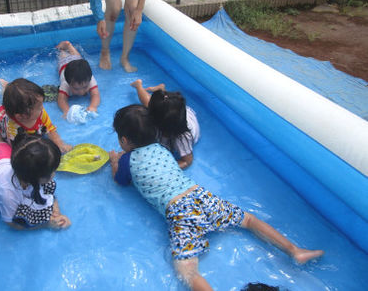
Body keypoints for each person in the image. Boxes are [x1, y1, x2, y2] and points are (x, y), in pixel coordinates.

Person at [108, 104, 324, 291]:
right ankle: (294, 250)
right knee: (248, 220)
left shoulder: (128, 160)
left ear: (124, 140)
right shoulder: (162, 148)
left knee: (187, 270)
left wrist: (114, 161)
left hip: (180, 212)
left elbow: (120, 181)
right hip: (201, 196)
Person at [0, 114, 71, 230]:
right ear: (38, 177)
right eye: (53, 170)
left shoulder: (29, 168)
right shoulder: (9, 195)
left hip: (4, 159)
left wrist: (56, 212)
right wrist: (45, 225)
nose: (54, 173)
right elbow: (11, 222)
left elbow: (49, 196)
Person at [0, 69, 72, 153]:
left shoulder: (40, 112)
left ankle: (7, 88)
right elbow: (19, 150)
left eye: (41, 104)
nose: (42, 108)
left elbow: (50, 129)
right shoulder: (14, 130)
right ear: (22, 116)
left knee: (15, 99)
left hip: (14, 111)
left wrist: (60, 145)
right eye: (38, 107)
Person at [131, 79, 200, 169]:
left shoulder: (182, 139)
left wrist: (163, 168)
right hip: (177, 110)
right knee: (153, 104)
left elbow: (187, 161)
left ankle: (148, 87)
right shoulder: (166, 118)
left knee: (153, 105)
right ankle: (139, 86)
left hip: (183, 115)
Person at [55, 41, 101, 118]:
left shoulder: (89, 79)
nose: (81, 92)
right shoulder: (65, 84)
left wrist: (93, 106)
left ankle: (69, 46)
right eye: (76, 89)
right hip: (64, 64)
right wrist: (66, 110)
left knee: (77, 58)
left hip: (76, 62)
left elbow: (96, 95)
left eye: (85, 87)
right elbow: (61, 100)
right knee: (62, 54)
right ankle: (64, 48)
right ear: (69, 83)